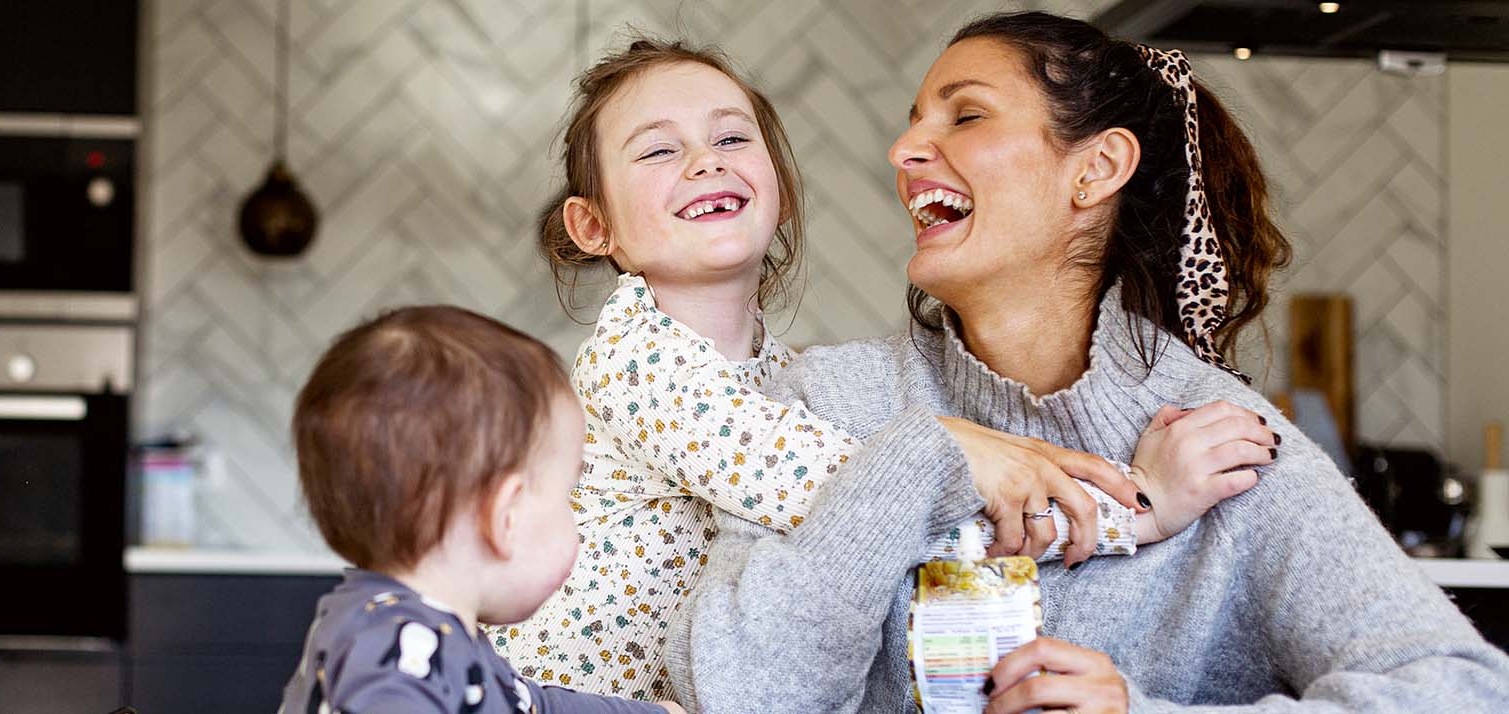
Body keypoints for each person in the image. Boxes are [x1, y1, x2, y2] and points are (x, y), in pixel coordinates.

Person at [666, 12, 1509, 713]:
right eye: (914, 118)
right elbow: (744, 695)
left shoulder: (1226, 450)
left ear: (1096, 168)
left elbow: (1462, 691)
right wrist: (930, 454)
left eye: (963, 116)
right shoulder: (832, 400)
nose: (904, 150)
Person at [502, 37, 1277, 701]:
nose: (706, 161)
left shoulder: (784, 375)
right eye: (660, 150)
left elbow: (879, 530)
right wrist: (1139, 508)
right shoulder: (635, 363)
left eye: (733, 139)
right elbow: (874, 499)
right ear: (593, 224)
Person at [278, 306, 681, 713]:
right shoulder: (397, 656)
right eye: (568, 495)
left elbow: (535, 706)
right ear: (506, 517)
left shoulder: (423, 634)